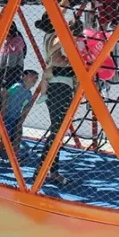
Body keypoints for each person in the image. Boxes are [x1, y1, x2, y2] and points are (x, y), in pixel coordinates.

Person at [37, 33, 76, 186]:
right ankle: (44, 169)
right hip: (58, 88)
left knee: (57, 132)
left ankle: (49, 170)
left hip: (64, 87)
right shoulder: (56, 37)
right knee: (56, 131)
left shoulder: (65, 44)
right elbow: (54, 55)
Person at [0, 69, 39, 163]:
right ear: (24, 77)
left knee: (18, 136)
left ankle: (15, 157)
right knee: (5, 136)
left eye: (36, 77)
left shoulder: (29, 94)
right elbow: (5, 96)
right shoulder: (16, 87)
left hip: (16, 117)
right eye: (32, 76)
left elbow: (25, 109)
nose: (35, 79)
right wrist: (3, 113)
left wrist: (20, 122)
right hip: (7, 115)